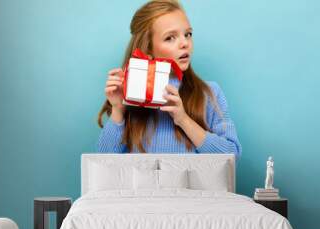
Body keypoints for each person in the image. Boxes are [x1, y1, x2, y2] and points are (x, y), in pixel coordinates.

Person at [97, 0, 242, 163]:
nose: (184, 43)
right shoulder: (129, 93)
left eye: (188, 34)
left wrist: (183, 120)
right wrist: (118, 109)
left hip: (192, 188)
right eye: (170, 38)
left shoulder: (209, 93)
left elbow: (232, 156)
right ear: (148, 49)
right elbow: (105, 163)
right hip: (142, 189)